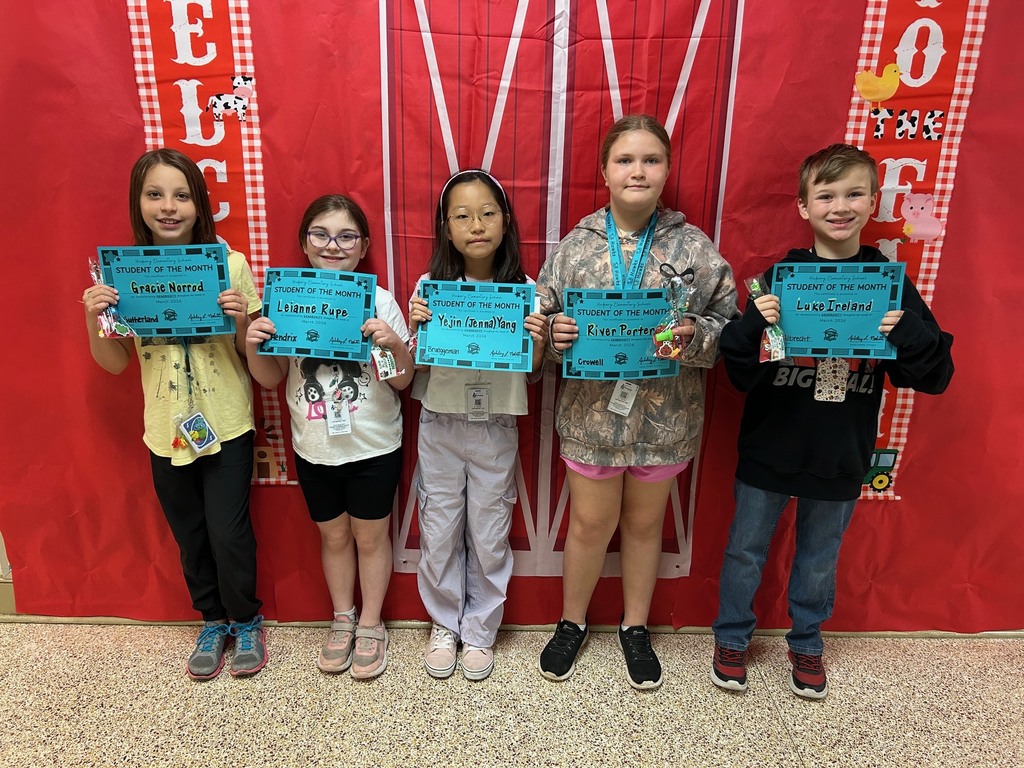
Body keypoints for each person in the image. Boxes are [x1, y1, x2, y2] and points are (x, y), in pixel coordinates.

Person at [710, 143, 954, 699]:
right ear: (804, 206)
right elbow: (740, 373)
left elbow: (934, 375)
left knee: (819, 559)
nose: (839, 206)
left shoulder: (888, 283)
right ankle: (731, 635)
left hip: (840, 452)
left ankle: (806, 640)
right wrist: (752, 326)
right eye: (825, 195)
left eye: (853, 194)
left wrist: (908, 332)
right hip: (770, 446)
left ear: (873, 202)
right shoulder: (779, 278)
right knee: (744, 551)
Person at [536, 115, 739, 690]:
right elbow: (539, 320)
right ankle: (572, 622)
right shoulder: (575, 248)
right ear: (604, 171)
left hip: (664, 418)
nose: (638, 171)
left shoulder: (694, 248)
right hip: (592, 419)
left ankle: (635, 626)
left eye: (651, 160)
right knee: (589, 524)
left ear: (667, 170)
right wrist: (554, 335)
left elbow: (731, 326)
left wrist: (692, 335)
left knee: (647, 526)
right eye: (625, 160)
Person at [82, 148, 266, 680]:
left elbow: (251, 355)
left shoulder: (230, 265)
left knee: (229, 532)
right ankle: (212, 620)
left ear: (198, 204)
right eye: (155, 195)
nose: (168, 207)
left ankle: (246, 620)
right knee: (190, 533)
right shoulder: (122, 276)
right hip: (165, 430)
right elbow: (115, 362)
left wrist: (240, 319)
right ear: (138, 203)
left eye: (181, 195)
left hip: (225, 422)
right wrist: (94, 318)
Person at [245, 195, 413, 680]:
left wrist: (392, 343)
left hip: (373, 445)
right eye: (320, 234)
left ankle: (371, 623)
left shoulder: (380, 301)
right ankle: (343, 617)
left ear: (364, 246)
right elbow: (271, 378)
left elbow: (403, 380)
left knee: (370, 536)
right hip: (314, 447)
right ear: (304, 243)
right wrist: (255, 344)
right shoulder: (285, 300)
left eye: (346, 236)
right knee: (333, 535)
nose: (332, 245)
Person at [409, 170, 547, 681]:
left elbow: (532, 372)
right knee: (440, 527)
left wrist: (538, 342)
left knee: (489, 531)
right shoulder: (430, 289)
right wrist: (418, 328)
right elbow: (417, 364)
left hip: (495, 423)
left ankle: (480, 630)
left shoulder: (525, 291)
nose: (476, 225)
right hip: (441, 420)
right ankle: (444, 624)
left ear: (505, 221)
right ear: (446, 228)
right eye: (462, 216)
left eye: (487, 213)